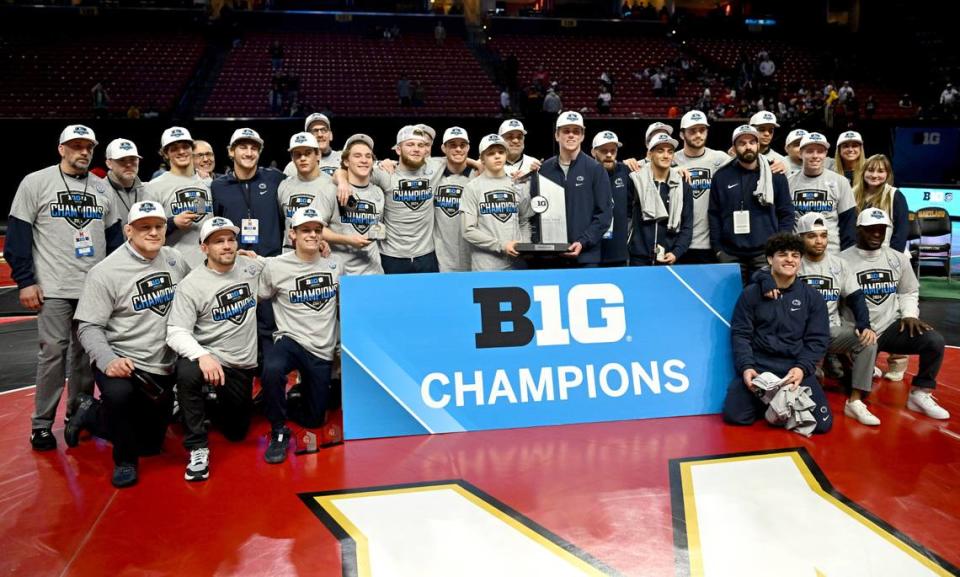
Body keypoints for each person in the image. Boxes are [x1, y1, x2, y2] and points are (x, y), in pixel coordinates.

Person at [6, 124, 123, 451]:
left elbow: (114, 241)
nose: (83, 151)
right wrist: (26, 281)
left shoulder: (102, 189)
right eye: (76, 146)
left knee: (85, 357)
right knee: (54, 354)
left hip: (93, 289)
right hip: (54, 287)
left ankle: (79, 414)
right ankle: (41, 424)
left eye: (88, 146)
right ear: (61, 149)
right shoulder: (36, 182)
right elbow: (18, 236)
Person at [71, 201, 190, 486]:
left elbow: (199, 288)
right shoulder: (105, 272)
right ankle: (124, 462)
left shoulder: (174, 259)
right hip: (124, 362)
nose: (153, 232)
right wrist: (108, 359)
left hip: (162, 361)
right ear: (128, 231)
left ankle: (92, 413)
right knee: (120, 398)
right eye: (144, 227)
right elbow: (88, 326)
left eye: (158, 227)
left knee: (150, 445)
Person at [755, 213, 880, 425]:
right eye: (812, 236)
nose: (819, 241)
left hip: (829, 330)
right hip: (795, 334)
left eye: (823, 236)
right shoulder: (792, 259)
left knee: (867, 340)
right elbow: (759, 273)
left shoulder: (838, 264)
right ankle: (814, 370)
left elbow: (857, 297)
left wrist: (864, 325)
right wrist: (765, 280)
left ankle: (855, 401)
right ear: (801, 237)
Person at [166, 217, 264, 482]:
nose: (227, 246)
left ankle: (208, 403)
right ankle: (197, 446)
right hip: (208, 356)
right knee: (187, 373)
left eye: (231, 240)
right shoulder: (192, 284)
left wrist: (320, 247)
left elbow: (288, 265)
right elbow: (175, 331)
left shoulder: (251, 268)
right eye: (218, 241)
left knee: (237, 432)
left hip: (240, 362)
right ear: (204, 248)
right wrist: (202, 355)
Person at [841, 209, 950, 420]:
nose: (876, 235)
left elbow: (908, 291)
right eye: (871, 230)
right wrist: (844, 335)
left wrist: (909, 314)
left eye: (881, 230)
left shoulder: (898, 259)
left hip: (890, 326)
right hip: (857, 331)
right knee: (852, 387)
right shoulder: (842, 260)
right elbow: (835, 302)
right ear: (858, 230)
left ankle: (920, 393)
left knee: (934, 341)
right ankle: (855, 375)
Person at [722, 233, 832, 434]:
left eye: (795, 255)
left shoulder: (813, 298)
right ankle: (774, 403)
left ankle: (777, 403)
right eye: (783, 254)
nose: (790, 259)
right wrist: (747, 367)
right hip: (760, 369)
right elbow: (741, 334)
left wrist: (801, 369)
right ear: (770, 259)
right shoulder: (751, 294)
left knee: (822, 424)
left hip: (793, 370)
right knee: (735, 416)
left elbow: (817, 340)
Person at [258, 207, 340, 464]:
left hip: (322, 347)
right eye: (306, 230)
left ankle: (291, 399)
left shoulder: (335, 266)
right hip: (290, 339)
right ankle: (278, 430)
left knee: (316, 419)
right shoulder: (275, 267)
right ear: (292, 234)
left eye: (317, 230)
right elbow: (260, 297)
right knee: (272, 368)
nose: (312, 235)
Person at [708, 125, 795, 285]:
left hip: (764, 253)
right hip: (730, 254)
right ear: (734, 148)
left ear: (758, 145)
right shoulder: (721, 176)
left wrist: (778, 247)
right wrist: (719, 249)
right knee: (731, 304)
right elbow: (714, 214)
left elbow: (787, 213)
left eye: (752, 142)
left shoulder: (774, 173)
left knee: (764, 302)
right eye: (742, 143)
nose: (748, 146)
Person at [536, 111, 613, 267]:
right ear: (557, 135)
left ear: (582, 136)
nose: (571, 135)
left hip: (586, 257)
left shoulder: (595, 169)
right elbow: (537, 209)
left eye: (576, 131)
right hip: (551, 257)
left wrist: (583, 242)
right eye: (566, 131)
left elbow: (604, 214)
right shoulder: (544, 170)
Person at [316, 134, 385, 276]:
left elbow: (378, 226)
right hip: (341, 275)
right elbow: (316, 228)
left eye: (368, 156)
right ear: (346, 161)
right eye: (357, 156)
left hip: (374, 272)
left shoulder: (378, 191)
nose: (364, 160)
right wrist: (347, 240)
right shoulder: (330, 190)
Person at [145, 126, 213, 269]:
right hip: (174, 267)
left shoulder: (207, 183)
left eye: (185, 146)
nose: (181, 151)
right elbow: (145, 233)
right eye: (174, 148)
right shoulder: (154, 187)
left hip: (209, 265)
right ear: (165, 154)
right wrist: (172, 223)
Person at [461, 134, 532, 271]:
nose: (497, 156)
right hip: (486, 267)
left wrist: (524, 246)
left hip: (517, 265)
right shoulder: (472, 188)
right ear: (482, 158)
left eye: (501, 152)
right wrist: (502, 245)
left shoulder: (517, 184)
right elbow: (468, 230)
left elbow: (524, 220)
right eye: (491, 153)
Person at [673, 110, 731, 264]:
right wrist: (628, 162)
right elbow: (644, 169)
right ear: (681, 134)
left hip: (711, 244)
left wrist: (775, 162)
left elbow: (748, 163)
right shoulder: (671, 159)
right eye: (692, 131)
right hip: (678, 244)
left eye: (702, 130)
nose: (698, 135)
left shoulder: (721, 159)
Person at [627, 132, 693, 266]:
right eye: (660, 151)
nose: (666, 155)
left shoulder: (683, 185)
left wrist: (676, 252)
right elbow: (625, 218)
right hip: (638, 258)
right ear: (650, 154)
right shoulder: (634, 181)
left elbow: (687, 225)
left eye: (670, 151)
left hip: (669, 257)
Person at [787, 132, 857, 254]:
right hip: (798, 255)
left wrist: (847, 257)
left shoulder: (840, 182)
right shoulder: (788, 182)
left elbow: (848, 225)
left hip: (831, 254)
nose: (815, 156)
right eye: (809, 151)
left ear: (825, 154)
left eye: (820, 151)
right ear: (801, 153)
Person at [277, 132, 334, 250]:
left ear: (318, 154)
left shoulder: (332, 186)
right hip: (289, 255)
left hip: (321, 255)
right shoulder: (284, 186)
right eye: (297, 154)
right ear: (292, 158)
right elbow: (282, 221)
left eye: (308, 153)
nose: (302, 158)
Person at [432, 127, 475, 272]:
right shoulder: (432, 177)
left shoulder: (479, 176)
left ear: (468, 147)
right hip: (442, 259)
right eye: (452, 145)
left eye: (462, 145)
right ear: (444, 148)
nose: (458, 149)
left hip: (474, 257)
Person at [591, 130, 635, 267]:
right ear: (593, 152)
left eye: (613, 151)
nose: (609, 155)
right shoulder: (585, 172)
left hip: (619, 252)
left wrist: (677, 169)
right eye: (604, 151)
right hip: (591, 252)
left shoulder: (625, 171)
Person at [852, 154, 909, 253]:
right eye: (870, 170)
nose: (874, 175)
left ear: (888, 174)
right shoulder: (852, 193)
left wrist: (892, 258)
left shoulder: (895, 195)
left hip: (886, 254)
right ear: (863, 172)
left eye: (880, 171)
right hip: (855, 254)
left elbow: (901, 233)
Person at [283, 113, 341, 178]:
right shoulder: (293, 166)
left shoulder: (345, 159)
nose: (320, 135)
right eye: (315, 131)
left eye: (323, 130)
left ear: (331, 135)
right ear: (307, 137)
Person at [104, 138, 146, 226]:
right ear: (109, 163)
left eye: (133, 159)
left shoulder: (149, 190)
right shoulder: (98, 192)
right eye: (122, 160)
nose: (128, 164)